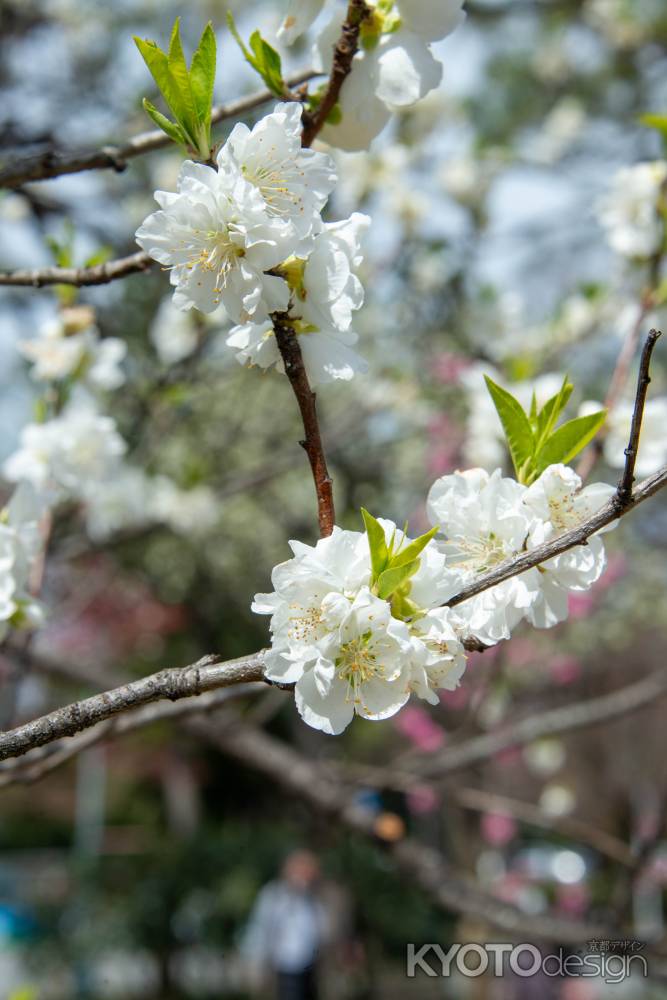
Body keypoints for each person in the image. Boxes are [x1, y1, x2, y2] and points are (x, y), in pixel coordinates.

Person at [242, 849, 329, 1000]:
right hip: (284, 967)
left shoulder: (314, 898)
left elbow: (322, 930)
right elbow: (261, 929)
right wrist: (257, 963)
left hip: (311, 967)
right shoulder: (274, 895)